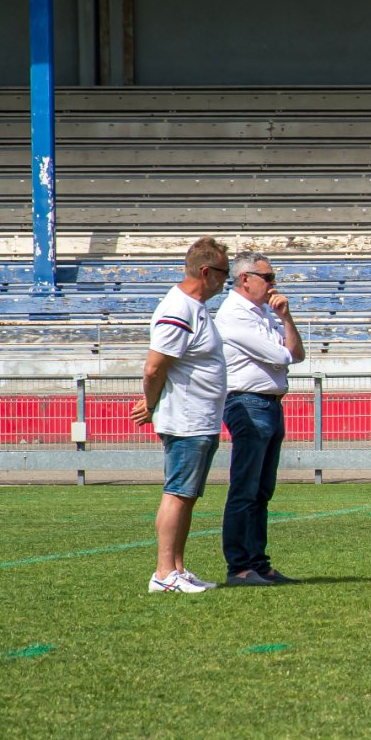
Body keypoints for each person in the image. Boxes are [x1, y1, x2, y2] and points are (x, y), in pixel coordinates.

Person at [132, 236, 230, 593]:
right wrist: (151, 404)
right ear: (206, 272)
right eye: (224, 273)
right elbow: (154, 368)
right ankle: (163, 573)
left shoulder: (194, 307)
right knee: (177, 493)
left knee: (187, 495)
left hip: (199, 417)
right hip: (187, 418)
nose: (226, 281)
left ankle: (177, 567)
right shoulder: (178, 309)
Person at [215, 251, 304, 587]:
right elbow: (282, 355)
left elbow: (297, 354)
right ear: (245, 279)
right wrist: (285, 341)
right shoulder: (234, 315)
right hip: (248, 402)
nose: (273, 284)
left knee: (261, 490)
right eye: (267, 277)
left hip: (268, 403)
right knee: (245, 488)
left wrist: (287, 318)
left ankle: (258, 563)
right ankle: (239, 565)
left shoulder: (264, 312)